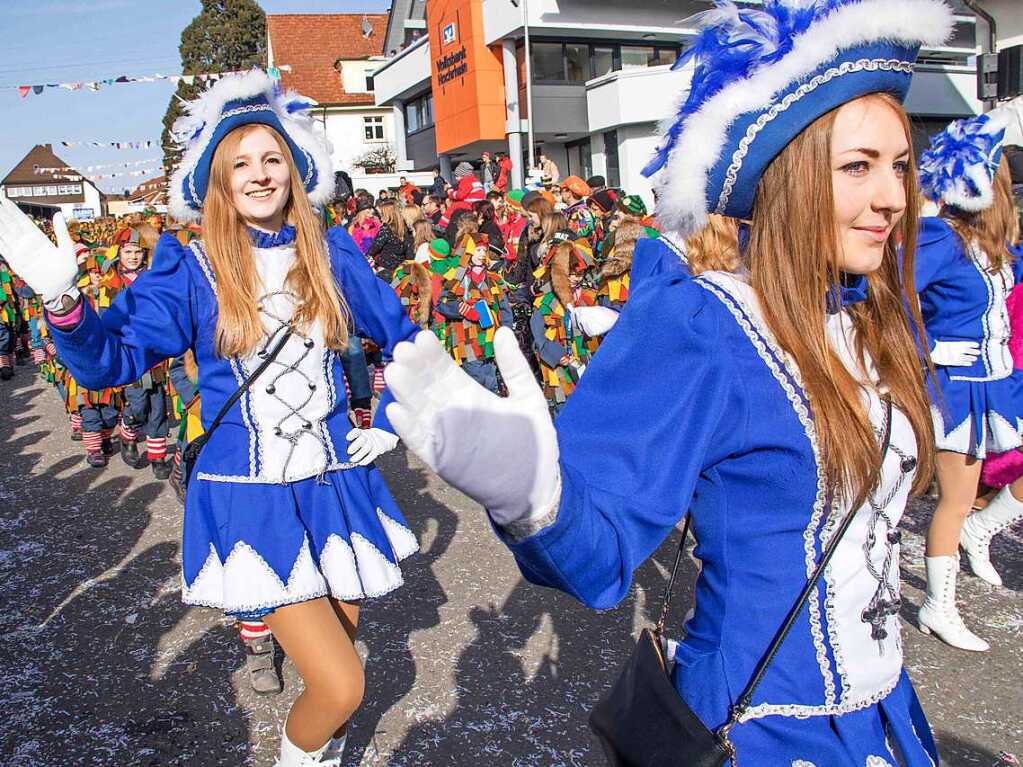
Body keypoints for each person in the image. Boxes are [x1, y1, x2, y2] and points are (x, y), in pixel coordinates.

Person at [382, 1, 952, 763]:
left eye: (899, 165)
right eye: (856, 165)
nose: (890, 196)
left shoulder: (874, 310)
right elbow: (601, 551)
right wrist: (535, 496)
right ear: (783, 174)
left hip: (885, 717)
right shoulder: (707, 324)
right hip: (759, 727)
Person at [0, 71, 422, 767]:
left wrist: (401, 413)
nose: (259, 176)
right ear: (217, 182)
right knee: (344, 685)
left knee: (337, 667)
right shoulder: (191, 267)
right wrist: (64, 301)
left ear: (294, 166)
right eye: (240, 165)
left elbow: (405, 335)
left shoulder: (330, 250)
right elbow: (111, 358)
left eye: (271, 158)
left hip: (337, 482)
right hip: (252, 495)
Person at [912, 109, 1023, 651]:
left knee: (959, 500)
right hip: (953, 389)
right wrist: (924, 349)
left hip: (991, 384)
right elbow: (889, 298)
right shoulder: (941, 239)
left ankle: (940, 589)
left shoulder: (991, 250)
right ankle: (938, 606)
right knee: (955, 502)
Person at [430, 232, 512, 393]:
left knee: (490, 379)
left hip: (490, 340)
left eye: (484, 251)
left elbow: (504, 308)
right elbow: (442, 303)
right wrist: (463, 309)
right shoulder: (458, 276)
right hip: (466, 339)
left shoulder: (494, 279)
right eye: (478, 250)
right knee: (477, 381)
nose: (482, 255)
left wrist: (506, 334)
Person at [366, 199, 413, 284]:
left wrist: (366, 256)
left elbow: (374, 248)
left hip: (384, 268)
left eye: (382, 214)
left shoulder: (386, 228)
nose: (381, 216)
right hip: (399, 268)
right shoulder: (404, 228)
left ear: (387, 214)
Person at [560, 176, 598, 250]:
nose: (560, 193)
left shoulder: (578, 214)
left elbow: (573, 239)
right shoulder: (580, 210)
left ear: (569, 193)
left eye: (562, 190)